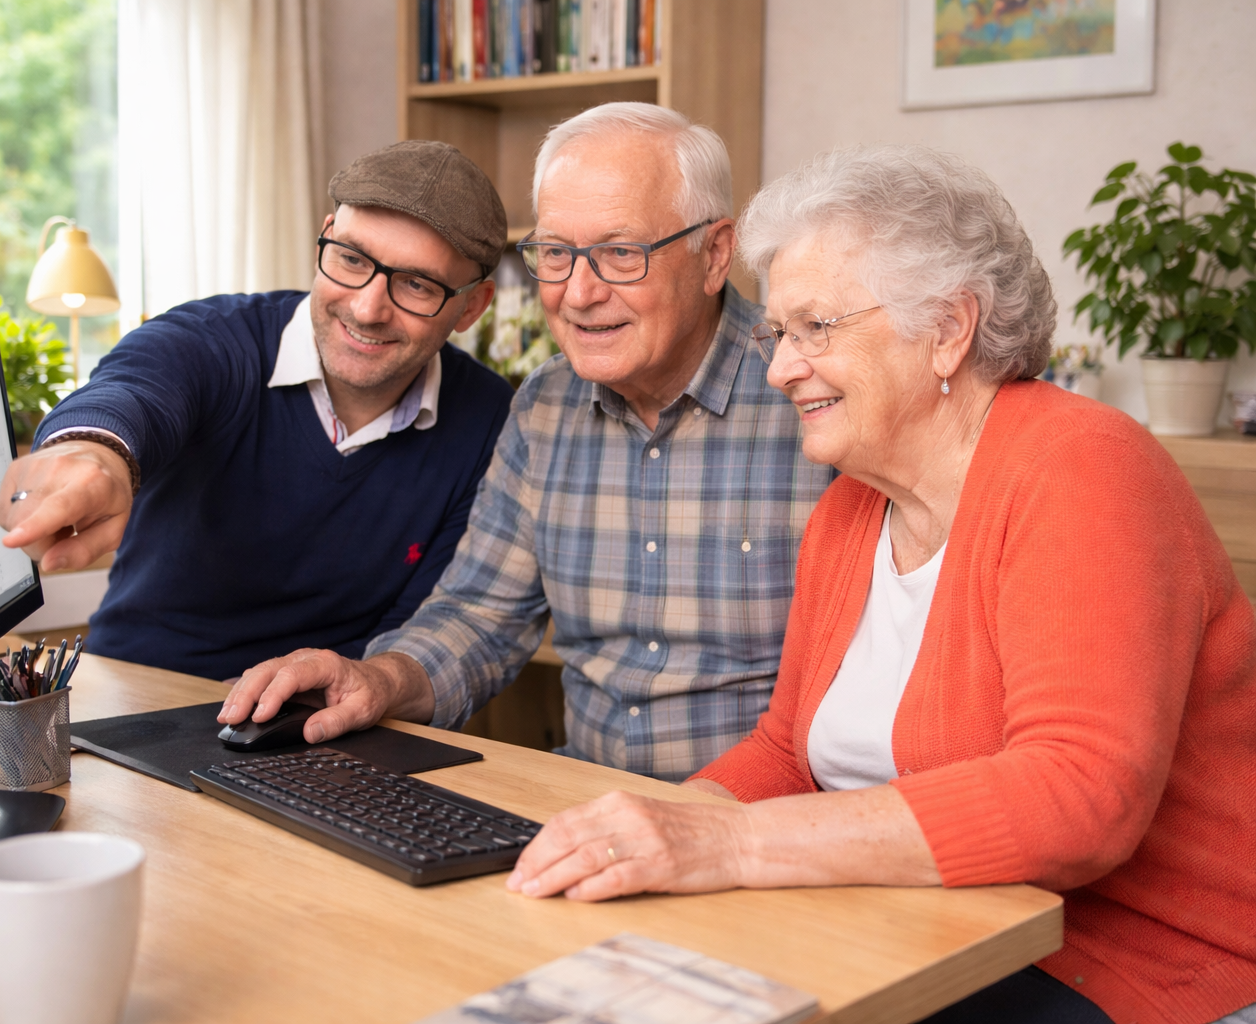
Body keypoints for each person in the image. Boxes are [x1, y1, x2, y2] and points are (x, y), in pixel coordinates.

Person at [502, 145, 1256, 1024]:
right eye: (778, 334)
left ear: (948, 329)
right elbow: (787, 753)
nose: (781, 368)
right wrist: (653, 828)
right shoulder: (852, 513)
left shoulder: (1082, 469)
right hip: (926, 930)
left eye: (816, 328)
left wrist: (730, 842)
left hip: (1127, 964)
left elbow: (1080, 796)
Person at [220, 102, 833, 781]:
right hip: (589, 811)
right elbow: (478, 616)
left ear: (715, 254)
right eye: (556, 255)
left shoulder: (813, 393)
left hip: (769, 824)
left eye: (620, 254)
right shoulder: (545, 406)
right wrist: (380, 681)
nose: (579, 293)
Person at [0, 141, 514, 680]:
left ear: (472, 306)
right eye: (352, 259)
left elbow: (427, 630)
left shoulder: (489, 420)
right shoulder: (214, 343)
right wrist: (95, 453)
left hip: (325, 729)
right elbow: (131, 391)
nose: (366, 308)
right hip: (143, 696)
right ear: (328, 233)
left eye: (416, 285)